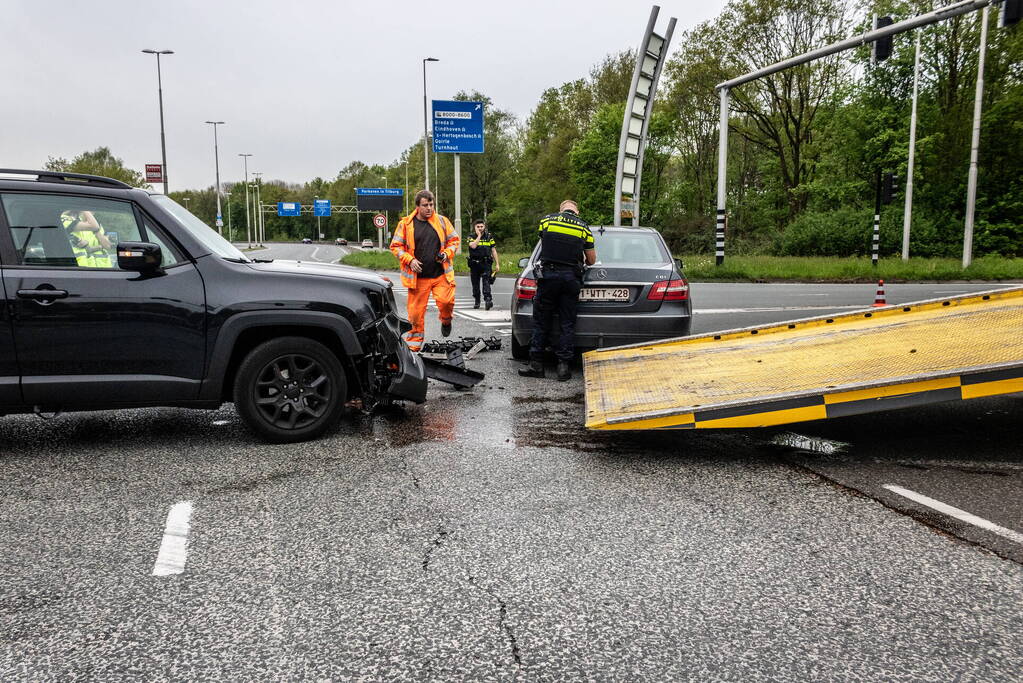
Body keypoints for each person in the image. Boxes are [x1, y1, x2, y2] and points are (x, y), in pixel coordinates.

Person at [519, 199, 596, 381]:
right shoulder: (584, 228)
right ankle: (563, 367)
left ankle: (537, 364)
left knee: (542, 320)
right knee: (567, 323)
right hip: (570, 279)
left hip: (549, 277)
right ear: (576, 212)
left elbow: (544, 242)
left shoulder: (547, 221)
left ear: (561, 210)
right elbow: (591, 260)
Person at [389, 190, 460, 352]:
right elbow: (395, 246)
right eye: (425, 205)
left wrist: (446, 253)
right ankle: (413, 348)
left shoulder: (442, 221)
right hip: (418, 279)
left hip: (440, 275)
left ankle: (446, 321)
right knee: (414, 315)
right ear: (417, 206)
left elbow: (454, 241)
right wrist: (410, 260)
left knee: (446, 302)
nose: (429, 208)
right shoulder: (406, 225)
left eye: (431, 205)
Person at [466, 219, 499, 310]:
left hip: (486, 263)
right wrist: (479, 236)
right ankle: (477, 301)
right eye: (478, 227)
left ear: (484, 226)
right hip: (474, 264)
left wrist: (497, 264)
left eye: (481, 226)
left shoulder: (489, 236)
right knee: (475, 284)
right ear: (474, 227)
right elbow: (473, 246)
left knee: (486, 282)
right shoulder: (471, 236)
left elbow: (493, 250)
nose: (480, 228)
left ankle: (488, 300)